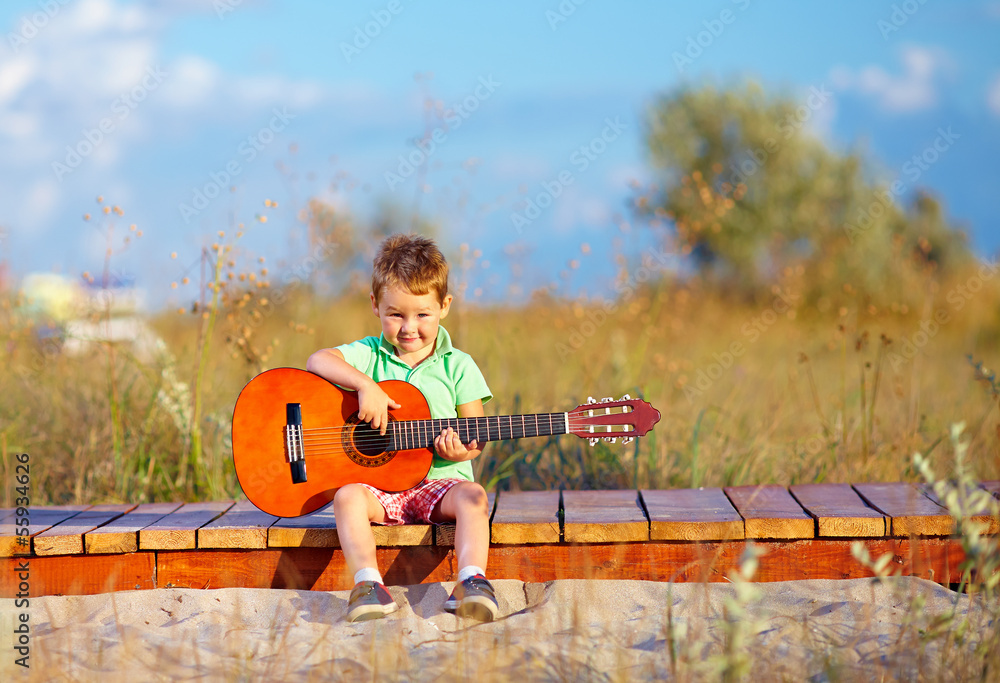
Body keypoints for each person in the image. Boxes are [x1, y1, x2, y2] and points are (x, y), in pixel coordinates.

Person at [306, 233, 497, 623]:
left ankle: (472, 580)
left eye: (422, 314)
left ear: (444, 306)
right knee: (346, 497)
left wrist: (463, 452)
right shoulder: (370, 356)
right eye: (396, 314)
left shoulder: (458, 365)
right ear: (376, 305)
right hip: (380, 489)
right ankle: (367, 583)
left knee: (474, 496)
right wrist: (364, 385)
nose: (409, 327)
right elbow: (317, 359)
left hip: (439, 485)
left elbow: (475, 432)